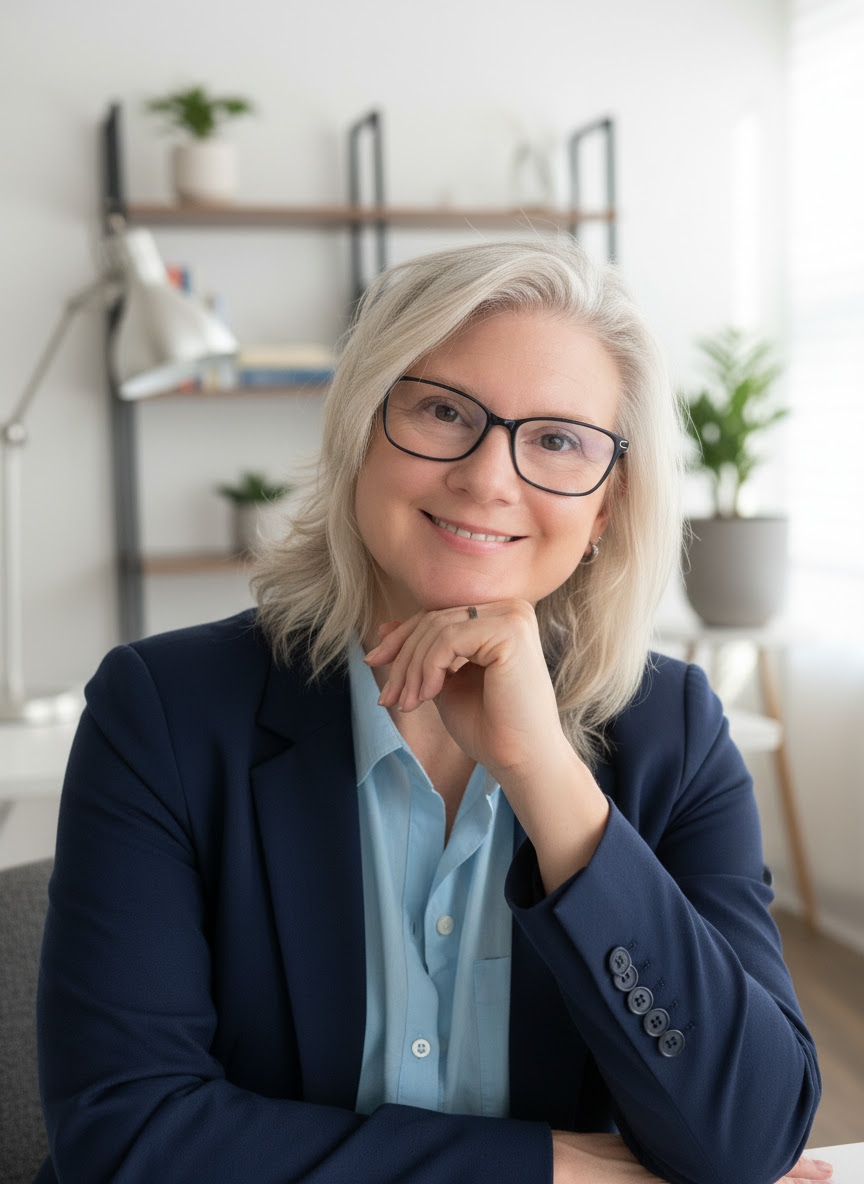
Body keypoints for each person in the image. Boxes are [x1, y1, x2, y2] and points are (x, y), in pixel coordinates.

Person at [37, 239, 828, 1184]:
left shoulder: (677, 732)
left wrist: (545, 774)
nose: (490, 478)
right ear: (359, 433)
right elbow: (126, 1137)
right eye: (445, 411)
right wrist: (549, 1169)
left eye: (558, 440)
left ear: (608, 508)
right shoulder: (162, 711)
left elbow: (751, 1138)